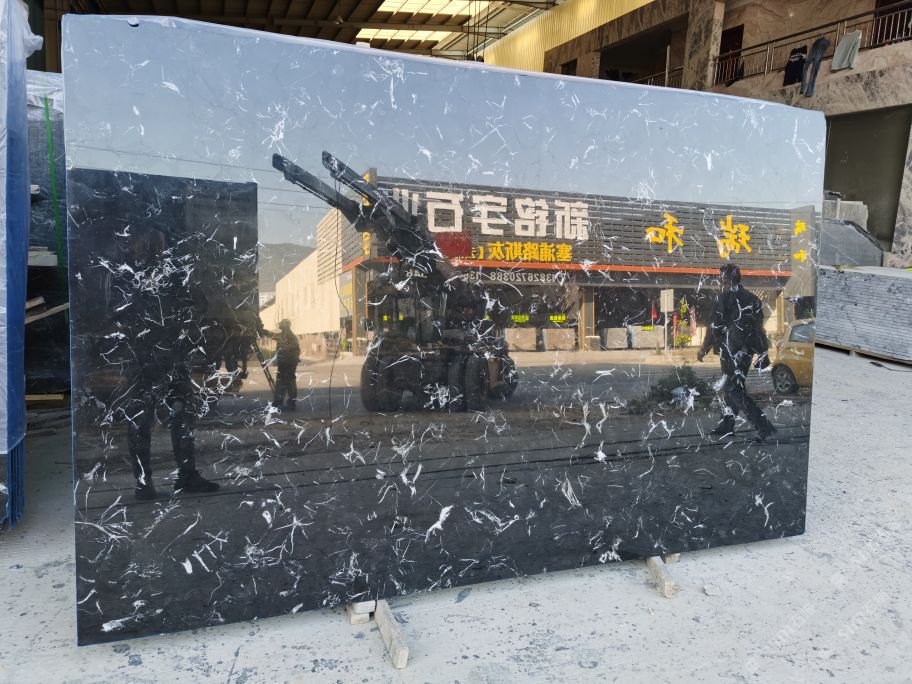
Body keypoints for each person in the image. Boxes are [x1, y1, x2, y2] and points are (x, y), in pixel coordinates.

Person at [111, 228, 221, 500]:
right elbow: (198, 305)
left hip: (154, 356)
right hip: (159, 356)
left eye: (155, 244)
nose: (153, 249)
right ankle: (173, 478)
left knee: (156, 417)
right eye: (152, 244)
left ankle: (150, 483)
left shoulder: (128, 275)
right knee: (168, 416)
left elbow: (115, 316)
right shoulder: (162, 273)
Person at [697, 263, 776, 442]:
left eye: (720, 277)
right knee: (733, 387)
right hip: (746, 351)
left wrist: (703, 348)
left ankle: (764, 427)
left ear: (726, 278)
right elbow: (759, 329)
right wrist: (763, 352)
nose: (719, 280)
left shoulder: (722, 298)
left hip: (729, 351)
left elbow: (713, 327)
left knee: (732, 388)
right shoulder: (753, 299)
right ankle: (727, 425)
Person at [270, 319, 300, 410]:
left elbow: (292, 349)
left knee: (288, 381)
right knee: (283, 381)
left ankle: (289, 401)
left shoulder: (290, 337)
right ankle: (281, 400)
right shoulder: (284, 335)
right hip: (285, 363)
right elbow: (272, 336)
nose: (281, 328)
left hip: (288, 363)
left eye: (282, 326)